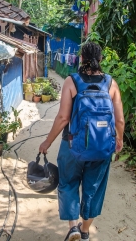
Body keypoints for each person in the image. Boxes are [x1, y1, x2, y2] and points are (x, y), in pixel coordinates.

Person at [39, 42, 125, 241]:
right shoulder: (111, 84)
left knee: (68, 183)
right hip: (102, 147)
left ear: (82, 58)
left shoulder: (72, 81)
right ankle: (85, 231)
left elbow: (63, 118)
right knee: (93, 188)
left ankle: (73, 228)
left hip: (72, 145)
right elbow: (119, 119)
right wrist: (118, 139)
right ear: (100, 59)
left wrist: (47, 142)